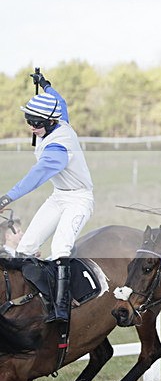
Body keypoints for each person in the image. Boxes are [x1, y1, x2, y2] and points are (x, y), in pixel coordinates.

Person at [0, 71, 94, 323]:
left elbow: (35, 177)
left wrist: (6, 199)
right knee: (25, 248)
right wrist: (46, 85)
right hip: (59, 196)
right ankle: (30, 299)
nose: (32, 126)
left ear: (51, 122)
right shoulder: (58, 116)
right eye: (28, 119)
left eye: (36, 122)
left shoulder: (59, 148)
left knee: (60, 247)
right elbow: (59, 100)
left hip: (79, 199)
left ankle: (61, 308)